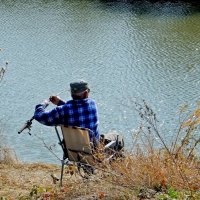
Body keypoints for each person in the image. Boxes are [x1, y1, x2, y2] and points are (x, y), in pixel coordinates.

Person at [34, 81, 100, 142]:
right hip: (93, 149)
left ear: (71, 93)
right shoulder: (92, 104)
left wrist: (44, 104)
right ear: (86, 93)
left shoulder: (62, 111)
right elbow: (76, 110)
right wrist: (60, 102)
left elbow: (39, 116)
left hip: (72, 151)